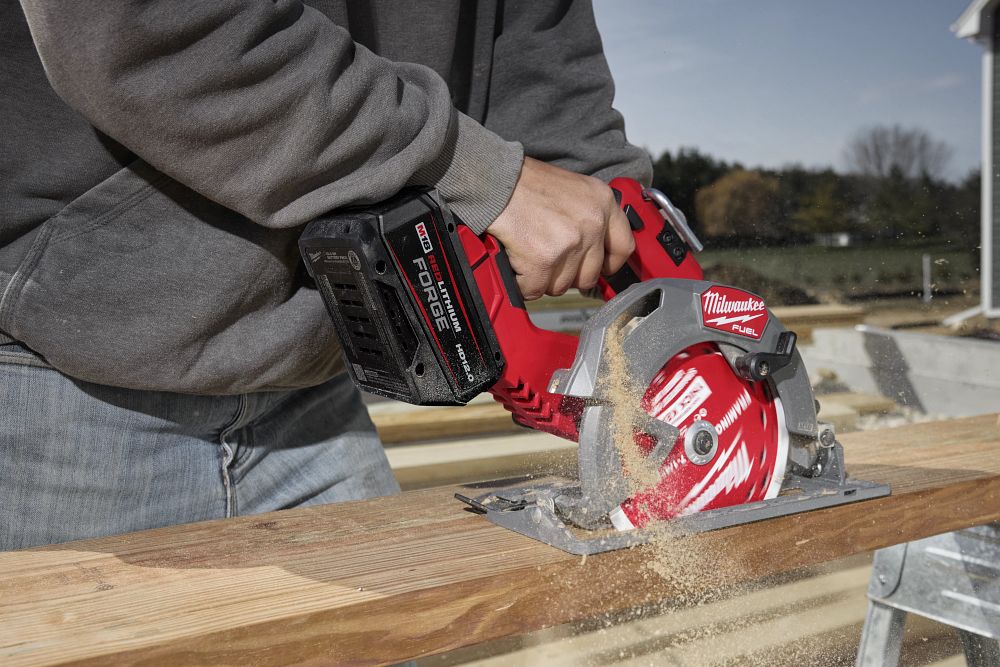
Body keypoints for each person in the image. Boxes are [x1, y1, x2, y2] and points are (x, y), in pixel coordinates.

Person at [0, 1, 652, 550]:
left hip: (316, 392)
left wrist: (616, 214)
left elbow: (543, 52)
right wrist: (481, 174)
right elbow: (139, 24)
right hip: (69, 383)